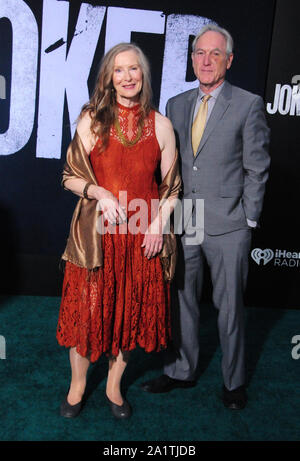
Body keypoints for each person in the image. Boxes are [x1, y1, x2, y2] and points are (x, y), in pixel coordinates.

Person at [141, 24, 270, 409]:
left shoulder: (248, 104)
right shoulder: (177, 104)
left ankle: (233, 383)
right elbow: (171, 166)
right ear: (193, 58)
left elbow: (257, 167)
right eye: (200, 52)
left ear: (228, 60)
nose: (207, 60)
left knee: (230, 307)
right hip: (186, 221)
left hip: (230, 223)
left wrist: (249, 218)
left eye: (216, 53)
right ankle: (181, 370)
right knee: (181, 299)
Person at [56, 42, 181, 419]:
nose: (128, 77)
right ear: (109, 78)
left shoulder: (161, 125)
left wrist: (159, 224)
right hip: (96, 236)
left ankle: (113, 387)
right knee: (87, 314)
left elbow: (172, 190)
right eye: (119, 70)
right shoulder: (91, 119)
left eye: (134, 69)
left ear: (143, 75)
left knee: (128, 314)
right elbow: (69, 177)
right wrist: (99, 192)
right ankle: (77, 387)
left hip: (142, 236)